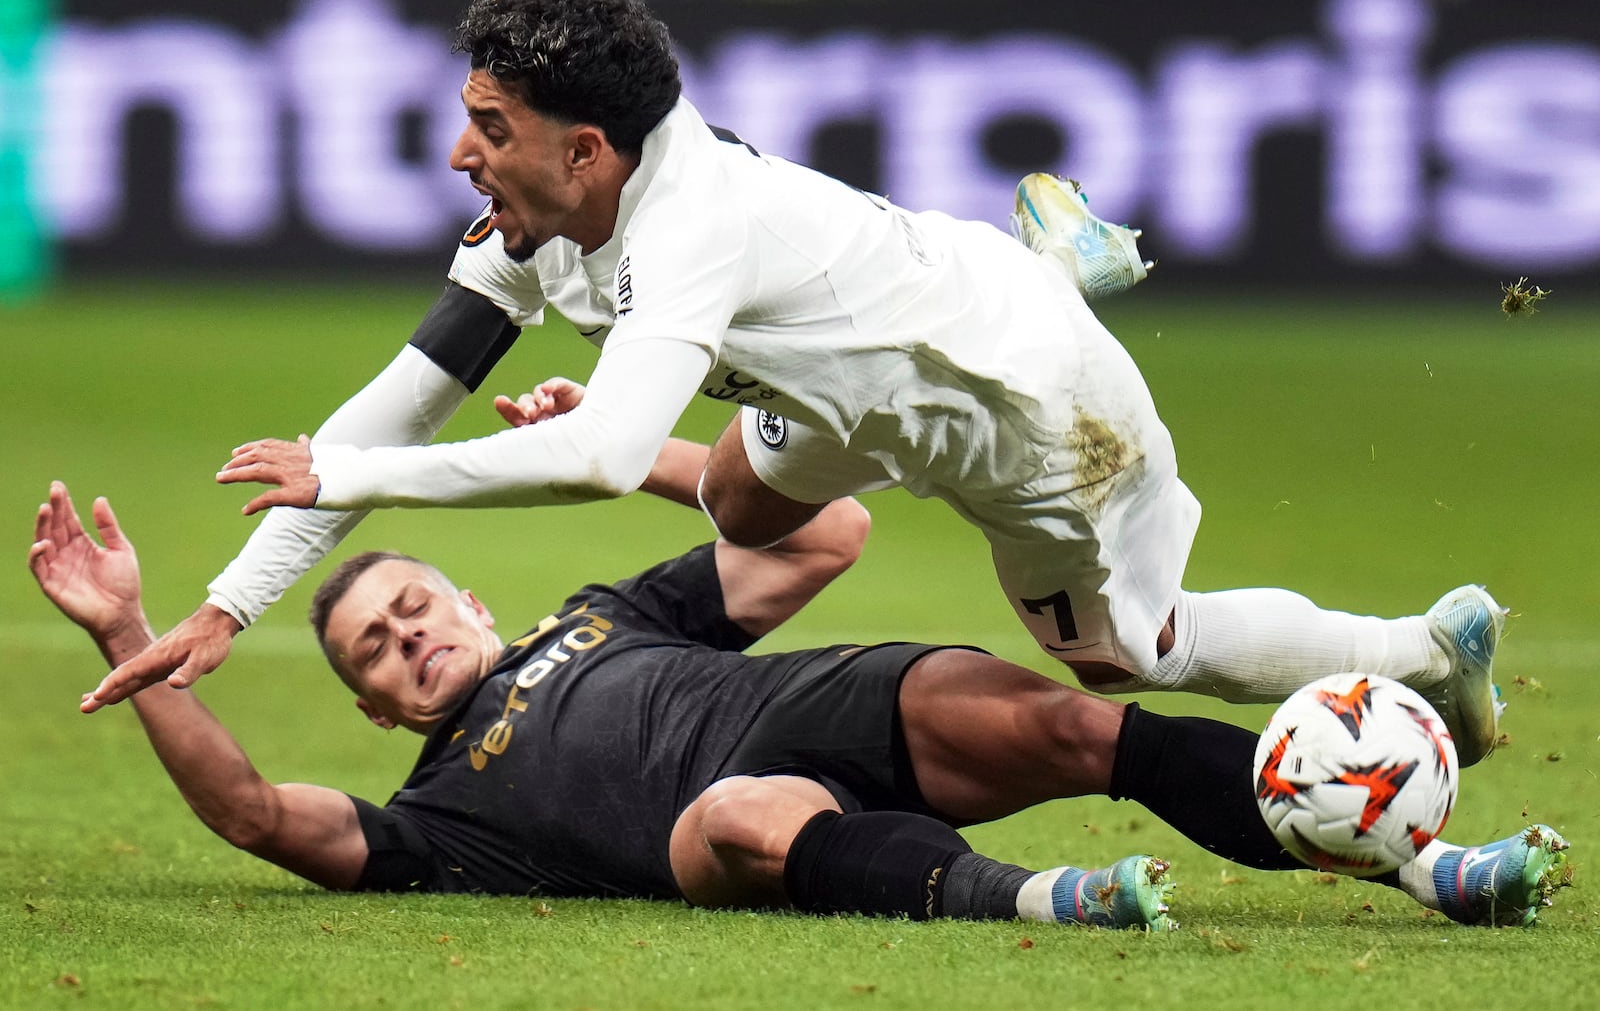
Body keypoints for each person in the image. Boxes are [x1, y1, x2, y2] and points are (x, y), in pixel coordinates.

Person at [87, 0, 1499, 770]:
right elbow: (403, 398)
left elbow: (572, 465)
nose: (463, 153)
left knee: (1131, 653)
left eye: (491, 125)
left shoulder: (688, 228)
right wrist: (228, 604)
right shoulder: (542, 222)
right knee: (748, 511)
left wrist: (347, 476)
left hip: (1012, 406)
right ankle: (1043, 259)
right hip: (851, 378)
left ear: (589, 149)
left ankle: (1427, 653)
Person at [31, 467, 1570, 928]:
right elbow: (249, 814)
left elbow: (825, 531)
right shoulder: (439, 818)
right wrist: (127, 637)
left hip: (825, 700)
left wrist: (632, 443)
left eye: (414, 605)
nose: (404, 640)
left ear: (475, 603)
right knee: (742, 815)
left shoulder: (603, 612)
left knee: (1068, 722)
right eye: (373, 647)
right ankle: (1054, 903)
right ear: (372, 707)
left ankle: (1428, 865)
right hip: (723, 825)